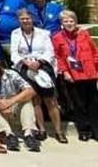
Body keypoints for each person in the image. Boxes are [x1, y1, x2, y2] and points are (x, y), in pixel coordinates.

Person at [10, 8, 64, 142]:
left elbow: (49, 52)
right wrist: (25, 62)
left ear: (32, 19)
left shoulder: (43, 33)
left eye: (27, 18)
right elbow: (14, 53)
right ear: (18, 20)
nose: (25, 21)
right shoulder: (15, 33)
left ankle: (58, 131)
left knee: (50, 100)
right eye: (22, 19)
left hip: (43, 66)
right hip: (25, 66)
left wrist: (39, 62)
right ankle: (41, 129)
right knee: (35, 100)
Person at [0, 55, 40, 152]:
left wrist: (11, 101)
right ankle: (9, 134)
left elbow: (30, 91)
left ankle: (28, 135)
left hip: (12, 104)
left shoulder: (11, 74)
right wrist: (0, 104)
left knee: (26, 100)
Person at [52, 10, 98, 141]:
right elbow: (58, 57)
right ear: (61, 23)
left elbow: (94, 52)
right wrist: (65, 72)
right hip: (73, 75)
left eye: (71, 21)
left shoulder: (84, 34)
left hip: (90, 73)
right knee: (78, 103)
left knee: (93, 103)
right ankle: (83, 130)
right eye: (65, 21)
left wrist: (96, 68)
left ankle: (96, 129)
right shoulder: (57, 38)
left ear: (76, 22)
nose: (69, 23)